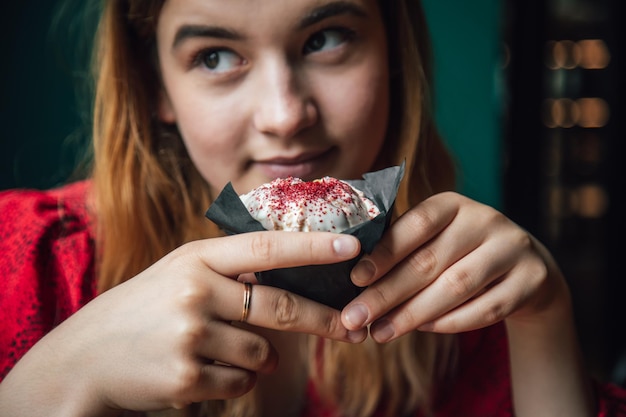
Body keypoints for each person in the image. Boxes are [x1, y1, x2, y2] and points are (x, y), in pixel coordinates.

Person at [0, 0, 625, 416]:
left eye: (325, 39)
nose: (284, 116)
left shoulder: (464, 301)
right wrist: (58, 380)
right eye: (215, 56)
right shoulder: (25, 262)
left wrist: (544, 320)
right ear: (157, 85)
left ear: (393, 53)